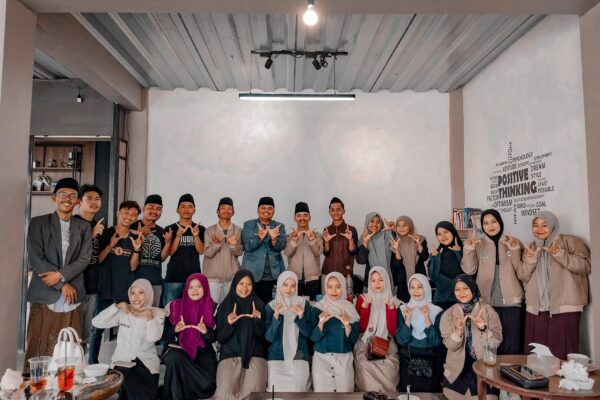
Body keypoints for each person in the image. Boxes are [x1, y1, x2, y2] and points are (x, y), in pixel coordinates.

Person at [24, 178, 92, 373]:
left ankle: (67, 386)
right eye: (62, 194)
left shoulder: (83, 227)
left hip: (73, 295)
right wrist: (62, 284)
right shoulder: (38, 223)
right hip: (45, 292)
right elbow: (36, 258)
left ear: (77, 201)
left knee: (69, 348)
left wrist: (61, 276)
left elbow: (84, 259)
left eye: (72, 196)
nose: (67, 199)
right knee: (38, 347)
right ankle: (35, 384)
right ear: (54, 197)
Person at [520, 211, 590, 360]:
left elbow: (585, 266)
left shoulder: (570, 241)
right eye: (536, 225)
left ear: (553, 225)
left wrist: (559, 254)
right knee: (537, 355)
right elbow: (523, 276)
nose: (539, 229)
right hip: (536, 310)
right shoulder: (531, 247)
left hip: (564, 307)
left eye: (544, 225)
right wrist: (531, 260)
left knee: (562, 353)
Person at [462, 209, 524, 355]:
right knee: (490, 343)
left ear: (500, 222)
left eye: (494, 221)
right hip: (487, 302)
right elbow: (469, 270)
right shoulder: (478, 244)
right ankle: (491, 370)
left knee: (512, 342)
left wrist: (514, 249)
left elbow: (521, 272)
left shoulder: (513, 241)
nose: (490, 226)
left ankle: (511, 369)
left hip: (511, 302)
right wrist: (469, 249)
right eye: (486, 223)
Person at [88, 200, 143, 365]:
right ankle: (92, 362)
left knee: (127, 328)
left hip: (125, 289)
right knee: (97, 327)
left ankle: (124, 361)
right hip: (105, 288)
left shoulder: (136, 237)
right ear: (118, 213)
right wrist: (110, 245)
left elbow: (133, 267)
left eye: (133, 214)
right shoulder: (105, 233)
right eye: (126, 212)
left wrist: (137, 249)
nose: (129, 216)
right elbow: (98, 260)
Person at [92, 279, 165, 400]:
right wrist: (117, 306)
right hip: (122, 362)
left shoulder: (157, 314)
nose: (136, 297)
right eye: (132, 293)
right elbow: (96, 322)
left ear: (148, 294)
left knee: (147, 393)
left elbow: (153, 337)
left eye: (141, 292)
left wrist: (149, 316)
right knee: (128, 381)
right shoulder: (124, 311)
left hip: (146, 363)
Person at [440, 275, 502, 400]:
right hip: (456, 371)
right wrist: (457, 331)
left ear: (473, 290)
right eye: (457, 289)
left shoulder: (487, 310)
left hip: (483, 367)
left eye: (465, 288)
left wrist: (483, 328)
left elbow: (497, 341)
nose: (461, 293)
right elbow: (451, 346)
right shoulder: (448, 314)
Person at [162, 273, 217, 399]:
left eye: (199, 286)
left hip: (204, 353)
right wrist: (175, 329)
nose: (194, 290)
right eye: (191, 287)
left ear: (205, 287)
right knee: (174, 357)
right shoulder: (175, 306)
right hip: (180, 349)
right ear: (186, 289)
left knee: (207, 384)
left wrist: (205, 331)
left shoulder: (213, 307)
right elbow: (165, 336)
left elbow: (215, 338)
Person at [214, 270, 267, 400]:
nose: (245, 288)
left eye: (249, 284)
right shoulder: (224, 307)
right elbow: (220, 338)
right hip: (230, 356)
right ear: (235, 285)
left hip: (254, 356)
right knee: (225, 395)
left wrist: (257, 321)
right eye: (241, 283)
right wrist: (229, 324)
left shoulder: (259, 306)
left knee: (253, 396)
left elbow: (263, 338)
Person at [310, 271, 360, 392]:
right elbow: (313, 338)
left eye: (338, 287)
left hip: (344, 360)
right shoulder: (318, 308)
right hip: (321, 360)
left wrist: (347, 325)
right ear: (325, 288)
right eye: (330, 287)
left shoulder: (349, 308)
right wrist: (321, 323)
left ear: (343, 287)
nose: (333, 291)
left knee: (345, 395)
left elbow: (353, 339)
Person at [354, 266, 400, 394]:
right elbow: (360, 329)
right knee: (364, 365)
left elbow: (392, 331)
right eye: (373, 280)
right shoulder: (362, 298)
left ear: (386, 280)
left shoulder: (393, 300)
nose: (377, 284)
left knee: (389, 368)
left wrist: (391, 309)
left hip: (386, 341)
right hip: (365, 341)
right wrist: (365, 308)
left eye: (380, 280)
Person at [395, 273, 444, 393]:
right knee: (408, 394)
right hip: (408, 359)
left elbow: (436, 341)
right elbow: (401, 340)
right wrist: (408, 318)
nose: (415, 291)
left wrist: (427, 317)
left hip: (431, 362)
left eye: (420, 287)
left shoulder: (437, 311)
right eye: (412, 287)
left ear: (426, 288)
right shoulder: (403, 309)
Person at [264, 271, 312, 392]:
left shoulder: (303, 304)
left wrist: (300, 315)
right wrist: (276, 315)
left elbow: (308, 334)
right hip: (276, 358)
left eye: (293, 285)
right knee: (276, 395)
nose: (289, 289)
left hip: (299, 357)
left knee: (298, 393)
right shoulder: (271, 307)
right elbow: (269, 337)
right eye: (285, 285)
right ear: (279, 285)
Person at [73, 184, 104, 347]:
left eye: (97, 199)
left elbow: (97, 257)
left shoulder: (97, 225)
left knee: (85, 337)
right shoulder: (73, 223)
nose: (94, 202)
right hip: (74, 287)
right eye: (89, 198)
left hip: (91, 286)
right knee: (70, 334)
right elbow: (70, 254)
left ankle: (81, 362)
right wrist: (91, 236)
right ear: (79, 201)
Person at [241, 196, 286, 304]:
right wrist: (259, 237)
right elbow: (247, 247)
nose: (266, 211)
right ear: (258, 209)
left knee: (272, 307)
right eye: (263, 208)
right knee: (252, 306)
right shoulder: (249, 225)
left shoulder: (279, 226)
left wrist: (274, 239)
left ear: (274, 210)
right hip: (253, 275)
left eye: (270, 208)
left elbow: (281, 246)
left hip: (273, 275)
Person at [164, 193, 206, 305]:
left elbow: (201, 251)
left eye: (190, 207)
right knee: (170, 310)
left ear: (194, 210)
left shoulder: (200, 229)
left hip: (194, 279)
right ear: (177, 210)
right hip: (173, 278)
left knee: (192, 311)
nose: (186, 210)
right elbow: (170, 252)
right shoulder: (170, 229)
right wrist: (178, 236)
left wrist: (196, 235)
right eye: (183, 207)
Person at [132, 194, 172, 307]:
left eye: (158, 209)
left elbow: (161, 259)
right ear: (143, 209)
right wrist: (139, 234)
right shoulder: (132, 227)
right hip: (134, 281)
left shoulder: (162, 232)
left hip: (155, 282)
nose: (154, 211)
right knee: (134, 314)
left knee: (153, 314)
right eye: (151, 207)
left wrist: (168, 243)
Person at [203, 197, 243, 303]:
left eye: (229, 208)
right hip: (213, 279)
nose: (226, 211)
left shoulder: (238, 230)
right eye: (223, 208)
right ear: (217, 211)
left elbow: (239, 252)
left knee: (230, 307)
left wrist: (233, 245)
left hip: (232, 278)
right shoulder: (209, 231)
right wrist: (216, 244)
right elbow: (207, 253)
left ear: (233, 212)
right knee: (212, 308)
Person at [283, 202, 323, 300]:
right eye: (299, 216)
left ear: (310, 217)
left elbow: (318, 252)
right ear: (295, 218)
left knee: (313, 305)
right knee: (294, 305)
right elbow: (287, 253)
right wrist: (294, 241)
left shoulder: (317, 235)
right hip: (293, 278)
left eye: (305, 215)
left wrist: (312, 240)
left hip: (313, 280)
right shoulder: (289, 236)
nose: (302, 218)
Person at [389, 216, 429, 302]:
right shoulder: (395, 241)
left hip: (418, 278)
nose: (401, 228)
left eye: (404, 225)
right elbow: (397, 265)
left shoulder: (420, 239)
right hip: (402, 281)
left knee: (421, 303)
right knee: (404, 306)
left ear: (410, 226)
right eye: (399, 226)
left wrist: (418, 243)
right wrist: (396, 249)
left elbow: (424, 257)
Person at [322, 197, 359, 290]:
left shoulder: (351, 229)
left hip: (346, 274)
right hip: (327, 273)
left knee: (346, 299)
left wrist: (350, 240)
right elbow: (326, 252)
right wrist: (326, 242)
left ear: (343, 211)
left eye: (338, 209)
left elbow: (353, 252)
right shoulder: (326, 230)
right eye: (332, 210)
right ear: (329, 212)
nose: (335, 212)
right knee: (326, 299)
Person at [427, 221, 464, 310]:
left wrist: (459, 253)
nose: (443, 236)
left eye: (446, 232)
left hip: (460, 299)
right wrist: (434, 258)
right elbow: (433, 277)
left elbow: (467, 273)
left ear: (453, 232)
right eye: (439, 234)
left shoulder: (464, 251)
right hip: (440, 300)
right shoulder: (437, 253)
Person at [356, 212, 394, 288]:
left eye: (378, 222)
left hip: (390, 276)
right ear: (367, 222)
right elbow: (361, 261)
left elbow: (400, 250)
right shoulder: (363, 238)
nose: (375, 224)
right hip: (371, 279)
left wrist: (394, 229)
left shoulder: (388, 234)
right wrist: (365, 242)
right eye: (372, 221)